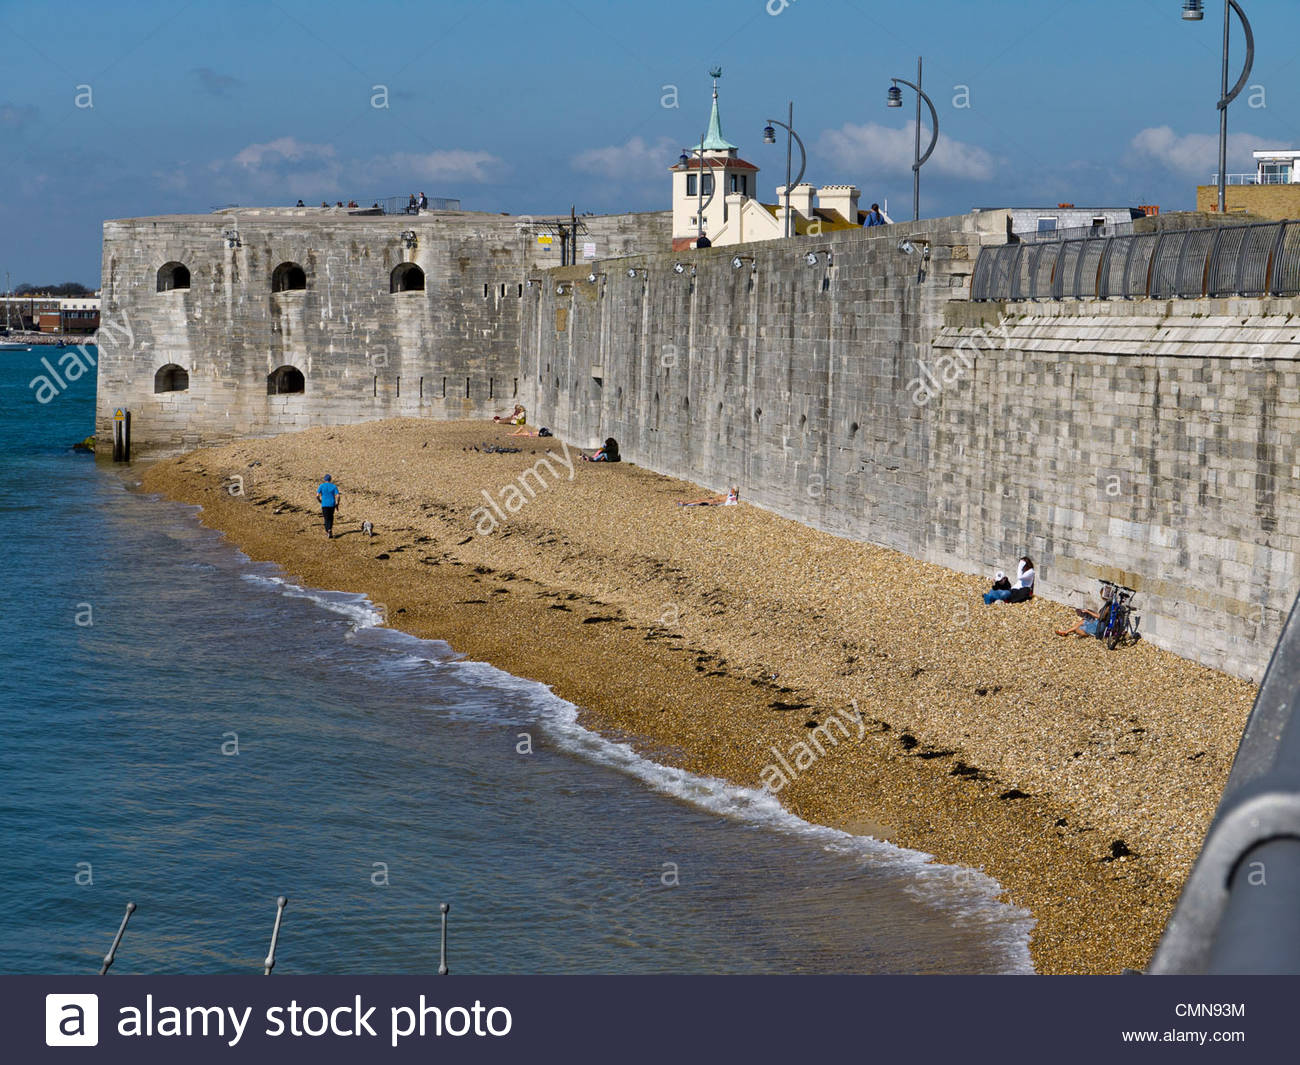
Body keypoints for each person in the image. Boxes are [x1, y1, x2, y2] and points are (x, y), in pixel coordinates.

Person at [316, 475, 341, 539]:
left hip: (324, 504)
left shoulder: (321, 486)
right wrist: (337, 503)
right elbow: (338, 496)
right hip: (332, 504)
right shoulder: (333, 486)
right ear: (330, 479)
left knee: (326, 518)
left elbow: (317, 496)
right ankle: (329, 529)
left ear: (324, 479)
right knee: (331, 517)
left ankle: (328, 530)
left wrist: (320, 501)